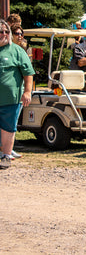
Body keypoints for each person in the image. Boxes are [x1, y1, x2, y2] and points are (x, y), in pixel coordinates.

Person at [0, 19, 34, 167]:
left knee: (8, 128)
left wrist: (27, 92)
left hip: (10, 99)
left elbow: (28, 73)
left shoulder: (17, 51)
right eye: (1, 31)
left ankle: (6, 156)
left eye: (6, 31)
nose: (4, 34)